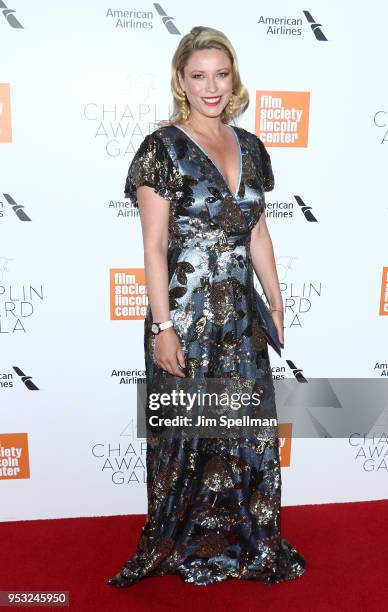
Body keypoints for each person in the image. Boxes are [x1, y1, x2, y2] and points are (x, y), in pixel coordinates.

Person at [107, 25, 307, 588]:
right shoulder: (162, 149)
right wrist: (162, 328)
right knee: (185, 436)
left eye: (220, 74)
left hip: (240, 319)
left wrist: (275, 297)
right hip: (186, 318)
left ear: (233, 78)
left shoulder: (250, 146)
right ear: (181, 80)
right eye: (199, 76)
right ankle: (182, 539)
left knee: (243, 430)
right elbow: (152, 245)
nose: (211, 86)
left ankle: (246, 537)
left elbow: (258, 231)